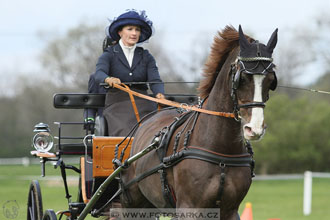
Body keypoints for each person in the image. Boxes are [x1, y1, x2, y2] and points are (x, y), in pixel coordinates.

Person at [94, 9, 165, 137]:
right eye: (130, 29)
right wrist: (108, 79)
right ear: (120, 32)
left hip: (144, 104)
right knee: (126, 131)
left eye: (137, 30)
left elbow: (155, 80)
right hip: (117, 105)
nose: (134, 33)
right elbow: (99, 73)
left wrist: (159, 93)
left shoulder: (146, 56)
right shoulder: (109, 54)